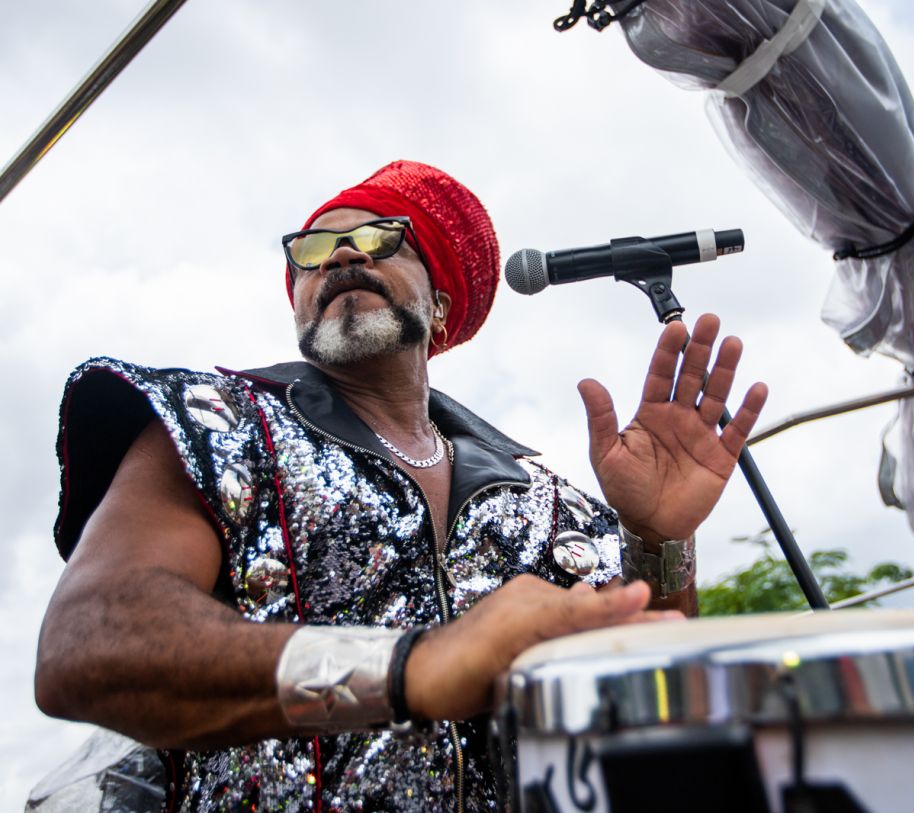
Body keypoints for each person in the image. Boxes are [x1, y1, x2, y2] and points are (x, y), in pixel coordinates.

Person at [33, 161, 767, 812]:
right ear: (298, 304)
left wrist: (658, 537)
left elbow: (650, 705)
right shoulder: (214, 422)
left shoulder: (548, 501)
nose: (345, 252)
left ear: (443, 305)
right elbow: (86, 646)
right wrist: (407, 667)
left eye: (383, 238)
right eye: (314, 250)